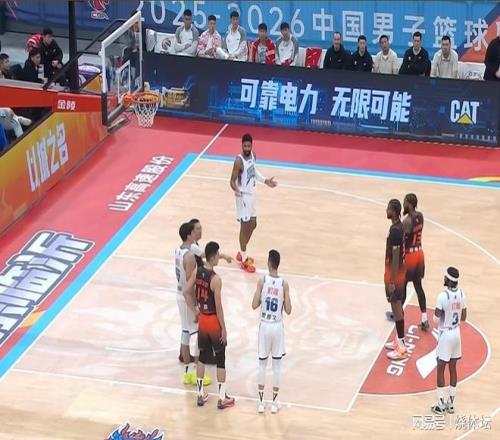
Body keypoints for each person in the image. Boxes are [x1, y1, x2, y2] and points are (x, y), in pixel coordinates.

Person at [185, 241, 235, 409]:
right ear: (213, 257)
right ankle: (222, 398)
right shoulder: (216, 279)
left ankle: (200, 394)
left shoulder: (197, 271)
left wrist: (195, 311)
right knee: (220, 360)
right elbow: (219, 307)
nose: (219, 258)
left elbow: (186, 291)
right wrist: (224, 329)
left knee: (202, 357)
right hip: (213, 321)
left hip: (203, 320)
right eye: (218, 255)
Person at [230, 133, 277, 273]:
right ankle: (244, 260)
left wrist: (265, 181)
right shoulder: (238, 161)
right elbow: (231, 180)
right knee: (245, 227)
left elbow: (254, 171)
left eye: (248, 146)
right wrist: (236, 189)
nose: (246, 148)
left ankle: (241, 251)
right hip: (243, 196)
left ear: (252, 145)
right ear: (241, 145)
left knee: (253, 224)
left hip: (252, 195)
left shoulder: (253, 156)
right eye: (244, 146)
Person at [252, 250, 291, 414]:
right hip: (277, 326)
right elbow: (288, 310)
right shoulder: (284, 284)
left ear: (269, 263)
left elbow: (254, 304)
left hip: (265, 325)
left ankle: (261, 403)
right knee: (276, 366)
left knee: (262, 364)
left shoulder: (262, 281)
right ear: (278, 264)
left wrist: (262, 296)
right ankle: (274, 404)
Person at [175, 222, 211, 386]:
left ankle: (187, 373)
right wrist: (195, 307)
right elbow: (190, 284)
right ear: (189, 235)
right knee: (200, 333)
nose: (196, 234)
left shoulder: (179, 250)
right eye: (194, 232)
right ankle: (197, 372)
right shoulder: (189, 257)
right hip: (187, 297)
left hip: (179, 295)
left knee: (185, 331)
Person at [431, 267, 467, 415]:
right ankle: (451, 403)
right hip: (457, 333)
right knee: (453, 368)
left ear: (449, 280)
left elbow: (435, 319)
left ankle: (440, 404)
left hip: (446, 334)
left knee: (440, 368)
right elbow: (464, 317)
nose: (444, 279)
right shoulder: (462, 294)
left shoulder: (442, 296)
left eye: (445, 277)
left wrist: (443, 314)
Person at [383, 199, 407, 360]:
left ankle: (402, 348)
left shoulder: (396, 230)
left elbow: (396, 256)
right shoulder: (398, 226)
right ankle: (399, 340)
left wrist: (392, 281)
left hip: (396, 274)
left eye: (388, 209)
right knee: (395, 306)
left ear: (394, 211)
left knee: (396, 307)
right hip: (397, 272)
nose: (386, 211)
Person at [403, 193, 428, 330]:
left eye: (405, 202)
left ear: (410, 204)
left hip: (411, 256)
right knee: (418, 286)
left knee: (403, 285)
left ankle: (398, 314)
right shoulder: (421, 216)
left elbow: (404, 242)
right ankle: (424, 318)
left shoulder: (407, 221)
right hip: (420, 254)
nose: (404, 204)